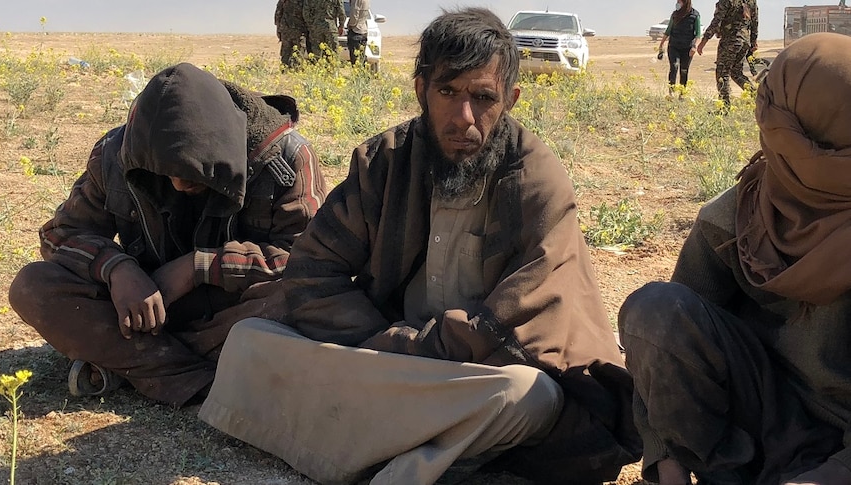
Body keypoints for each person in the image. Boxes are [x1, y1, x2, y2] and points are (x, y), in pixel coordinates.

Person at [199, 7, 641, 485]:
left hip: (473, 372)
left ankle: (394, 461)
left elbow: (516, 323)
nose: (463, 117)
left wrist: (402, 349)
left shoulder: (537, 180)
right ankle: (428, 451)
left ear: (510, 99)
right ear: (420, 90)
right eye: (447, 92)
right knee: (250, 342)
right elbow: (312, 271)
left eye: (483, 97)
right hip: (389, 364)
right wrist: (380, 344)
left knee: (528, 395)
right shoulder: (383, 161)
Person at [7, 63, 327, 408]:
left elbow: (309, 259)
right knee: (33, 286)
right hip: (143, 310)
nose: (179, 184)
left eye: (193, 173)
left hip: (233, 311)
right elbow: (62, 234)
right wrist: (117, 269)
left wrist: (199, 267)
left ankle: (133, 364)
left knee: (306, 298)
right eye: (164, 172)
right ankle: (199, 374)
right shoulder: (116, 155)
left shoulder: (285, 158)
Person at [619, 33, 851, 485]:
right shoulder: (737, 214)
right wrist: (667, 458)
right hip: (754, 430)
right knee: (657, 308)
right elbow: (665, 336)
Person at [696, 0, 758, 111]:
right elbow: (754, 22)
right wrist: (753, 41)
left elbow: (716, 21)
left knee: (722, 73)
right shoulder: (751, 1)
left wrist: (704, 41)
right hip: (744, 40)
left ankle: (724, 107)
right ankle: (758, 97)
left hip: (730, 40)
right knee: (736, 73)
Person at [657, 0, 701, 97]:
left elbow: (698, 33)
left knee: (684, 70)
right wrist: (661, 44)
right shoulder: (675, 14)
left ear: (685, 2)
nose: (677, 3)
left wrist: (694, 46)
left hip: (687, 48)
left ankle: (682, 94)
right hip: (674, 46)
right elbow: (668, 30)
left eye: (679, 1)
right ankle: (671, 92)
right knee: (674, 66)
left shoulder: (695, 15)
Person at [274, 0, 309, 68]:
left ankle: (284, 70)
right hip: (299, 30)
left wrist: (279, 28)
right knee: (299, 53)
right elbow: (306, 14)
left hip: (286, 29)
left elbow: (278, 14)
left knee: (286, 52)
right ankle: (296, 70)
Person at [346, 0, 370, 65]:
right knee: (361, 58)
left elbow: (354, 16)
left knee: (355, 60)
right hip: (363, 31)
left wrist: (350, 25)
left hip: (356, 31)